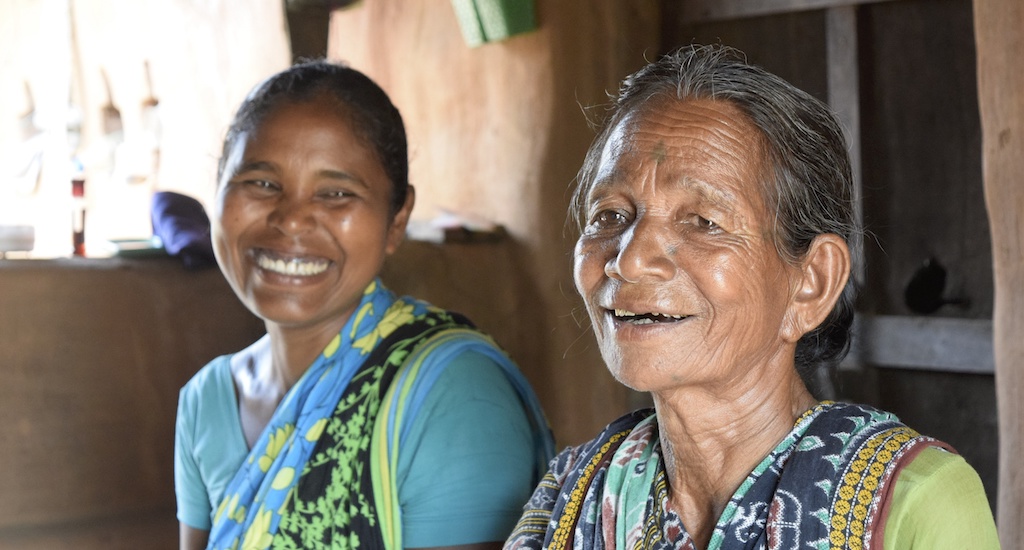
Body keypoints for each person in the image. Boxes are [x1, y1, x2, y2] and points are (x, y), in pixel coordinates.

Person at [505, 44, 999, 550]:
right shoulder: (569, 495)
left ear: (812, 283)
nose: (628, 261)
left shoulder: (912, 505)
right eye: (609, 215)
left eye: (703, 222)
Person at [174, 60, 554, 550]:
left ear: (397, 220)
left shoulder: (452, 395)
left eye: (336, 193)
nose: (291, 220)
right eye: (262, 184)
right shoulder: (206, 401)